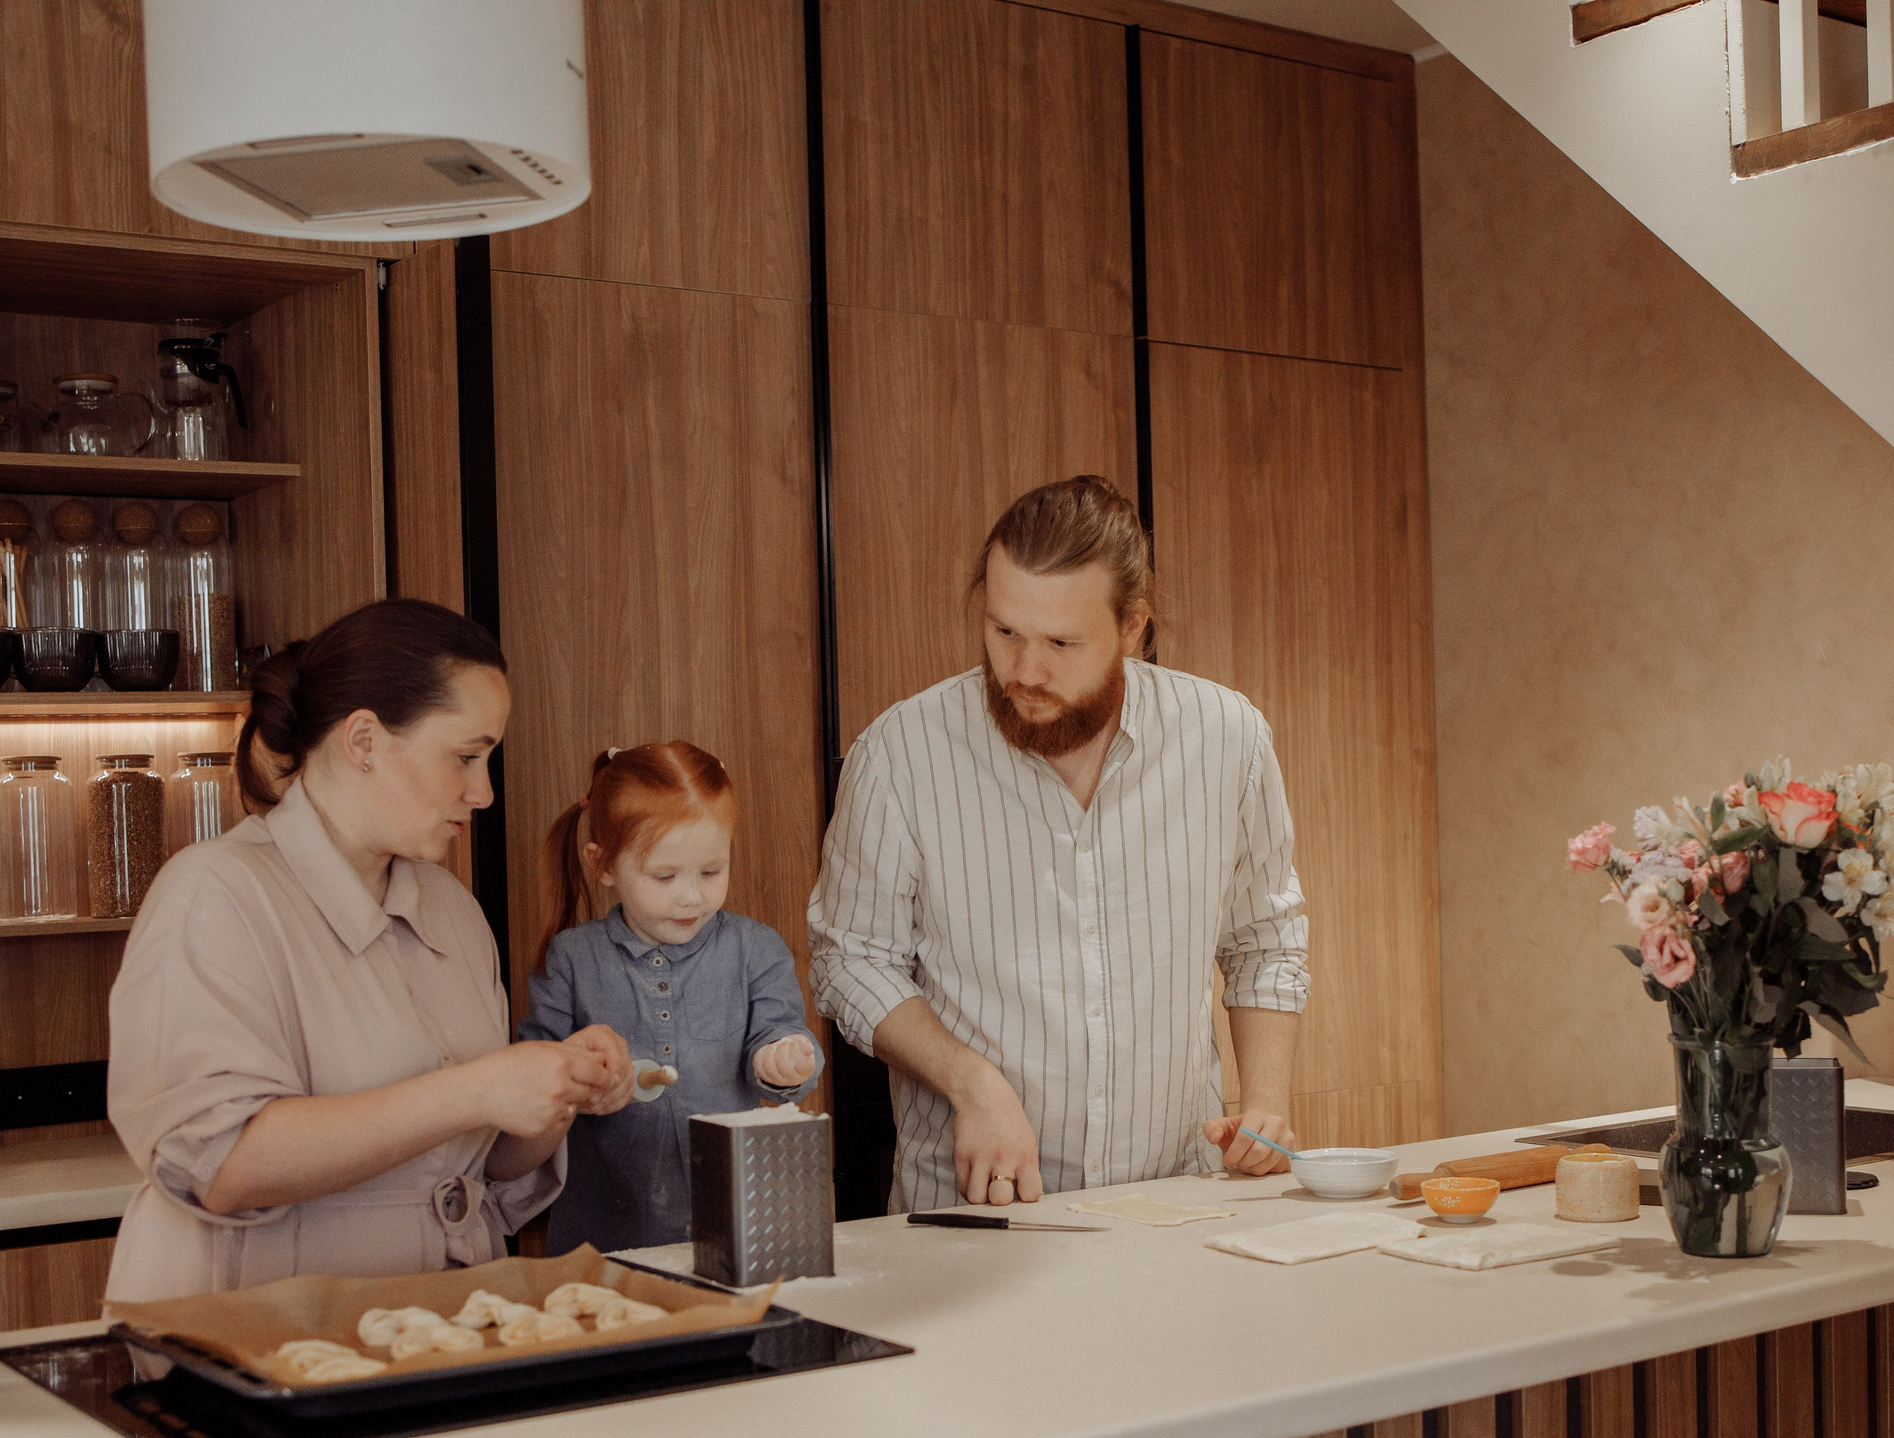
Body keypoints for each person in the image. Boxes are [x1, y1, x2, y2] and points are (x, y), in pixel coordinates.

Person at [104, 599, 634, 1301]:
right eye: (466, 757)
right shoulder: (212, 896)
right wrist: (475, 1087)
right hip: (249, 1341)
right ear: (363, 741)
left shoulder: (452, 911)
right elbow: (226, 1162)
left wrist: (561, 1090)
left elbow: (477, 1162)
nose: (483, 792)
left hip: (433, 1332)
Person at [807, 475, 1309, 1210]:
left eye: (1062, 642)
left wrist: (1265, 1102)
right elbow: (849, 959)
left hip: (1172, 1206)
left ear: (1133, 627)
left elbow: (1265, 940)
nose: (1025, 672)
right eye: (1004, 630)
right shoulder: (901, 754)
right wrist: (968, 1079)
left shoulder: (1228, 739)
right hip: (974, 1218)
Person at [521, 742, 824, 1253]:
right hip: (603, 1237)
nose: (692, 896)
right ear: (604, 865)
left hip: (731, 1230)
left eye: (711, 871)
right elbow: (532, 1081)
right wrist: (574, 1080)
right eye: (665, 877)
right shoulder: (569, 961)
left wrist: (784, 1060)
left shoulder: (756, 949)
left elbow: (781, 1034)